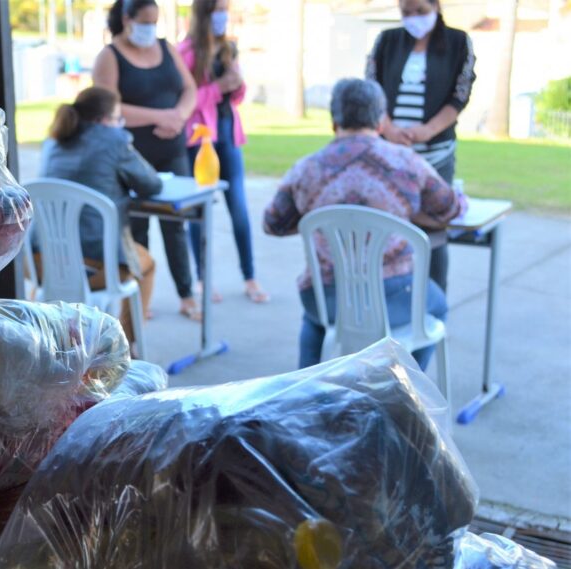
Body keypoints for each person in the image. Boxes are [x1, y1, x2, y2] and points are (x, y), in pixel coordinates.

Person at [263, 78, 461, 371]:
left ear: (333, 122)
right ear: (381, 121)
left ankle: (307, 393)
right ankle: (405, 388)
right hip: (395, 297)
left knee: (316, 318)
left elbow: (273, 223)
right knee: (437, 305)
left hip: (329, 298)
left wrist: (316, 216)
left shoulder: (307, 168)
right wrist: (409, 212)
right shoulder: (406, 162)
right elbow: (449, 208)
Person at [93, 0, 202, 320]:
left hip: (173, 149)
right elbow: (108, 106)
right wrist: (161, 115)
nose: (149, 30)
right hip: (131, 155)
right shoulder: (109, 56)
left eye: (154, 23)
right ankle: (141, 300)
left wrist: (178, 117)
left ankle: (186, 293)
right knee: (136, 228)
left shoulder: (167, 48)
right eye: (144, 22)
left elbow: (189, 88)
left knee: (176, 225)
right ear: (127, 19)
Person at [40, 87, 163, 350]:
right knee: (146, 265)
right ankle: (125, 350)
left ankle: (50, 339)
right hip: (93, 265)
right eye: (118, 118)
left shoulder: (53, 142)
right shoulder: (114, 140)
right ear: (103, 120)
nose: (120, 124)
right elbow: (151, 185)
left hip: (43, 262)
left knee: (56, 283)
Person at [366, 0, 476, 292]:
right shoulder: (387, 40)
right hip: (390, 153)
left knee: (433, 229)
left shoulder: (457, 41)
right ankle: (388, 296)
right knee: (386, 225)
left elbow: (460, 94)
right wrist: (387, 129)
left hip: (435, 155)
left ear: (435, 7)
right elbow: (372, 86)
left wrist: (428, 131)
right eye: (406, 13)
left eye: (419, 11)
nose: (412, 18)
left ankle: (433, 302)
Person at [178, 0, 268, 304]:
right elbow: (188, 100)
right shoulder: (186, 53)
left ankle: (250, 276)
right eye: (218, 10)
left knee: (238, 206)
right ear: (204, 13)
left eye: (225, 10)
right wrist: (219, 86)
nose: (223, 16)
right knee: (199, 210)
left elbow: (236, 96)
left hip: (229, 133)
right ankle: (203, 279)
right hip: (200, 139)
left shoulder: (229, 47)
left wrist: (236, 83)